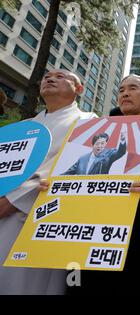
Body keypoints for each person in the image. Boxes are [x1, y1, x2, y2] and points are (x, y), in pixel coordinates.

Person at [48, 74, 140, 295]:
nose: (125, 93)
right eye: (121, 90)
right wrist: (53, 186)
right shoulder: (94, 133)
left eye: (132, 89)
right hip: (91, 233)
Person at [0, 69, 96, 294]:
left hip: (40, 214)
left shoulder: (89, 122)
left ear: (79, 89)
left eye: (61, 76)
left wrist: (13, 199)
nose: (50, 78)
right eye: (47, 76)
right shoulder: (26, 126)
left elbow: (72, 168)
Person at [62, 132, 127, 175]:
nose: (99, 146)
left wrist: (123, 141)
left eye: (102, 143)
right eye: (97, 143)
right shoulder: (82, 159)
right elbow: (68, 173)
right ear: (92, 145)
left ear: (105, 144)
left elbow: (120, 152)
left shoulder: (108, 155)